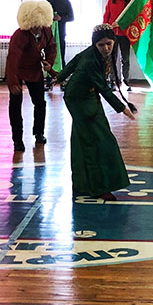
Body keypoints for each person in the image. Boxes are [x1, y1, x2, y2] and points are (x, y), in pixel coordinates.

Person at [58, 24, 137, 200]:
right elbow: (103, 88)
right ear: (95, 44)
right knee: (96, 141)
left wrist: (59, 76)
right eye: (101, 45)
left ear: (114, 41)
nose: (106, 48)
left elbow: (73, 63)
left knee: (83, 140)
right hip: (79, 101)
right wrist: (122, 108)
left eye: (109, 43)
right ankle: (100, 187)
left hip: (87, 97)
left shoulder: (93, 54)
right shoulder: (90, 61)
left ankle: (83, 184)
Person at [6, 0, 57, 152]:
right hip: (17, 69)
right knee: (15, 105)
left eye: (40, 26)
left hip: (34, 69)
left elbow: (51, 47)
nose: (37, 29)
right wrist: (13, 83)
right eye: (35, 26)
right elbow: (12, 60)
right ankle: (17, 139)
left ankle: (39, 133)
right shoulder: (19, 35)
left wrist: (49, 63)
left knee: (40, 103)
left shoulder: (46, 30)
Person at [45, 0, 74, 90]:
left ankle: (62, 81)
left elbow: (71, 17)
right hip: (48, 36)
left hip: (61, 35)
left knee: (61, 56)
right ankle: (49, 82)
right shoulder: (46, 2)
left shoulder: (66, 2)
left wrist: (61, 18)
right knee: (48, 57)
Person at [103, 0, 132, 88]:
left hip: (125, 34)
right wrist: (109, 26)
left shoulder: (129, 1)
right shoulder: (110, 1)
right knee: (112, 58)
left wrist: (121, 24)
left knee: (125, 59)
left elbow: (132, 17)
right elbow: (106, 17)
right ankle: (113, 81)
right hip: (112, 35)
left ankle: (126, 81)